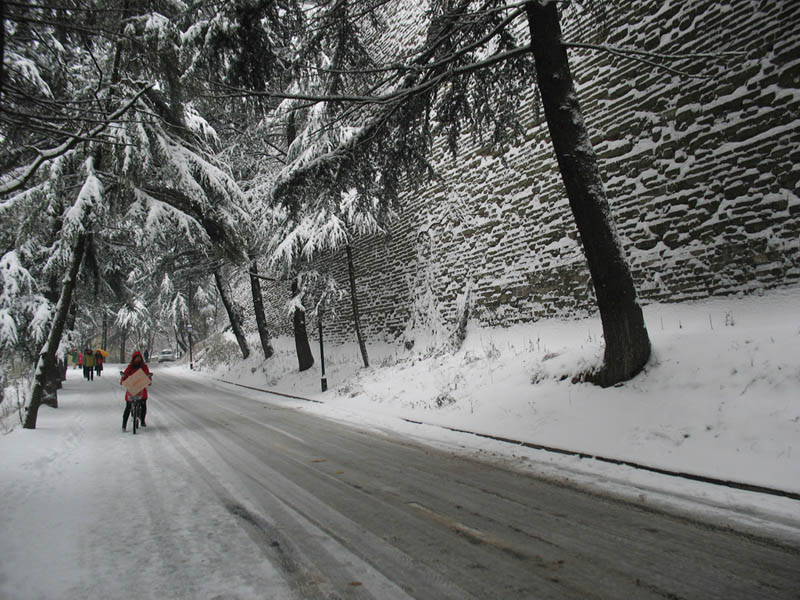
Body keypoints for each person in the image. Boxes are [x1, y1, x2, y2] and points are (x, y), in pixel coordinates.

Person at [120, 351, 152, 431]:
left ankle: (143, 420)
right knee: (128, 406)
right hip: (132, 388)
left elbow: (147, 374)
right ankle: (124, 424)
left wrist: (148, 380)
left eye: (139, 358)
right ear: (133, 359)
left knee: (143, 403)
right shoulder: (130, 366)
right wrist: (123, 379)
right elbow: (125, 374)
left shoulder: (144, 367)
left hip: (141, 388)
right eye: (136, 358)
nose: (137, 360)